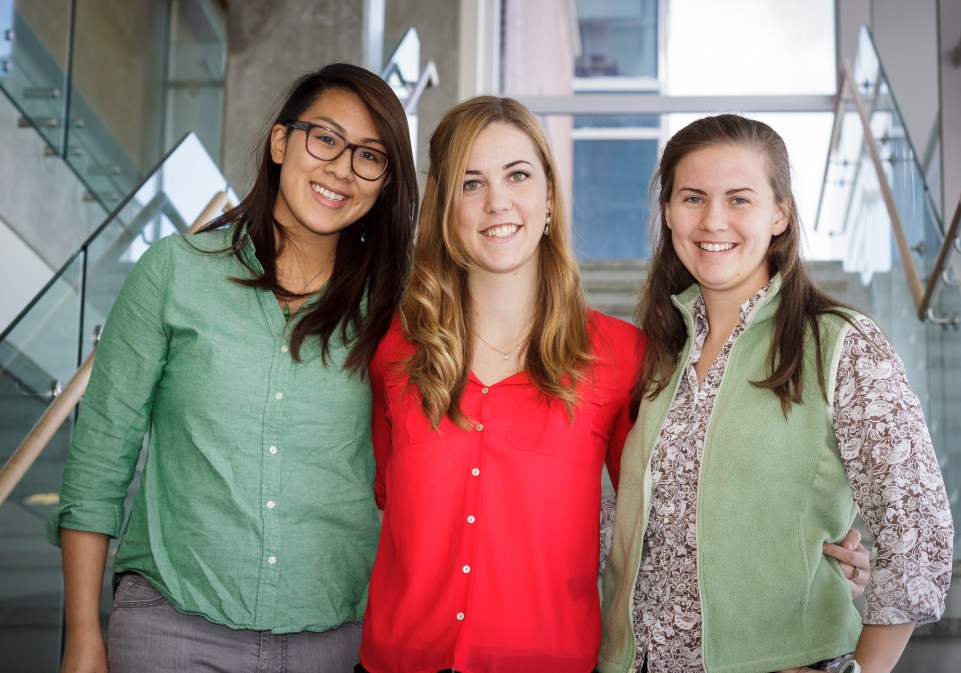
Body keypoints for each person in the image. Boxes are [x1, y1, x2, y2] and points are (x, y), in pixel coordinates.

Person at [355, 97, 869, 673]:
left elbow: (667, 511)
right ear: (445, 207)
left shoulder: (622, 356)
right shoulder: (395, 351)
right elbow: (387, 502)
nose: (498, 201)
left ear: (549, 196)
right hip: (396, 660)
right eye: (471, 183)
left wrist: (809, 559)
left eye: (518, 175)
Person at [45, 63, 418, 673]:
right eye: (325, 138)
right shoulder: (173, 272)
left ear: (384, 182)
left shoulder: (395, 309)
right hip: (172, 630)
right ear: (280, 143)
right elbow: (99, 462)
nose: (341, 169)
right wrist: (84, 633)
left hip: (333, 639)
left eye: (369, 156)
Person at [599, 114, 954, 673]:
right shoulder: (656, 357)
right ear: (668, 213)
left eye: (739, 198)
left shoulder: (841, 345)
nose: (713, 219)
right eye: (692, 197)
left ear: (780, 214)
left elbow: (917, 529)